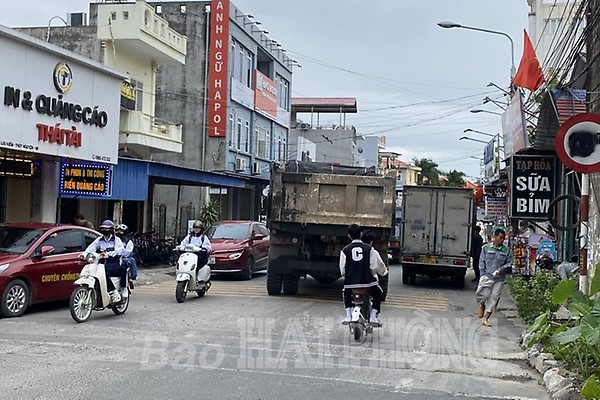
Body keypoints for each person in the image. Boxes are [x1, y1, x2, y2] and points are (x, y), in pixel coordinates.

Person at [339, 224, 388, 327]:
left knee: (346, 293)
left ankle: (348, 315)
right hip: (368, 284)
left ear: (349, 236)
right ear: (360, 234)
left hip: (351, 284)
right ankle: (374, 316)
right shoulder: (369, 249)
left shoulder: (345, 250)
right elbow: (373, 268)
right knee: (378, 293)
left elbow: (343, 271)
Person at [476, 228, 512, 327]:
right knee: (482, 295)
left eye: (503, 238)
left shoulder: (507, 250)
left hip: (499, 279)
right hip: (487, 276)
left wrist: (502, 269)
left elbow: (509, 263)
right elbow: (481, 261)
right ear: (495, 237)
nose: (501, 240)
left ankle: (486, 318)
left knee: (494, 298)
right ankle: (482, 305)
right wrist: (482, 274)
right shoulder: (486, 248)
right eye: (500, 238)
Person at [82, 219, 125, 303]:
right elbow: (90, 248)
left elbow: (120, 250)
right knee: (93, 272)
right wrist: (83, 255)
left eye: (106, 229)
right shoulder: (99, 240)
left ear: (111, 230)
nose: (104, 230)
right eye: (102, 228)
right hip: (101, 263)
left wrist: (107, 254)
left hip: (113, 264)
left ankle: (113, 292)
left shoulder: (116, 240)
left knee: (104, 272)